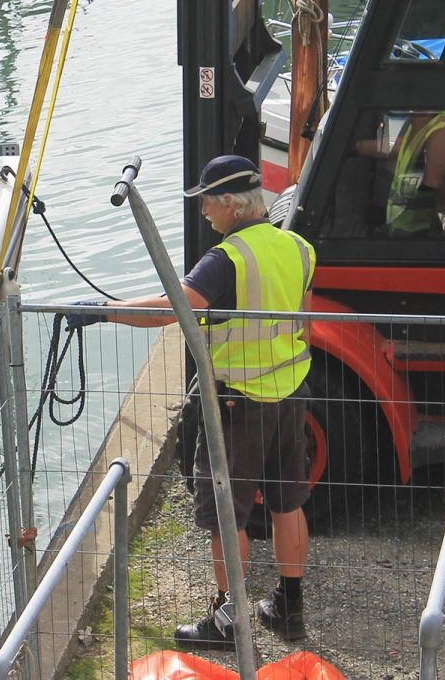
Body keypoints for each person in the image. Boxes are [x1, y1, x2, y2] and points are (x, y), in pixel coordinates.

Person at [69, 155, 316, 650]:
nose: (203, 211)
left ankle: (229, 622)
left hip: (238, 404)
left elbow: (171, 310)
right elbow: (301, 319)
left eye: (206, 201)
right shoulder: (298, 247)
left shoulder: (226, 260)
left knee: (227, 515)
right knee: (288, 504)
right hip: (290, 393)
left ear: (229, 202)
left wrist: (103, 311)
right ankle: (289, 608)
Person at [356, 110, 445, 235]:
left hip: (420, 237)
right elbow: (397, 146)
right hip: (403, 231)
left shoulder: (441, 133)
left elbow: (431, 203)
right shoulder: (417, 124)